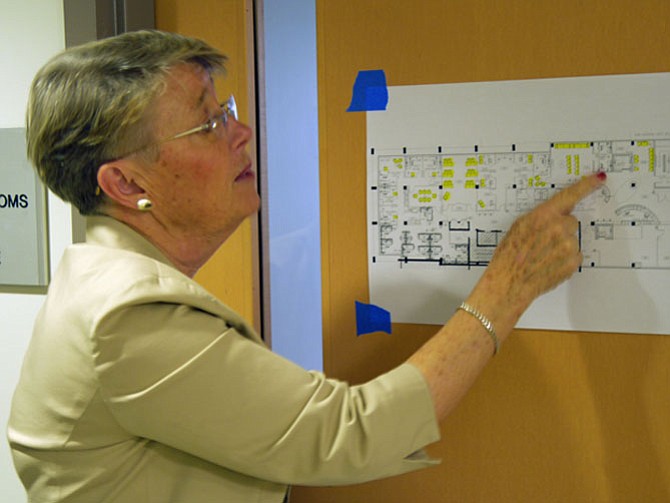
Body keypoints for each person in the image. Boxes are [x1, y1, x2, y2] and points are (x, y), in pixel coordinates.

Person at [7, 30, 605, 503]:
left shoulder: (105, 283)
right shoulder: (125, 317)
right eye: (208, 122)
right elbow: (348, 434)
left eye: (227, 109)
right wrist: (510, 283)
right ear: (125, 181)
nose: (241, 132)